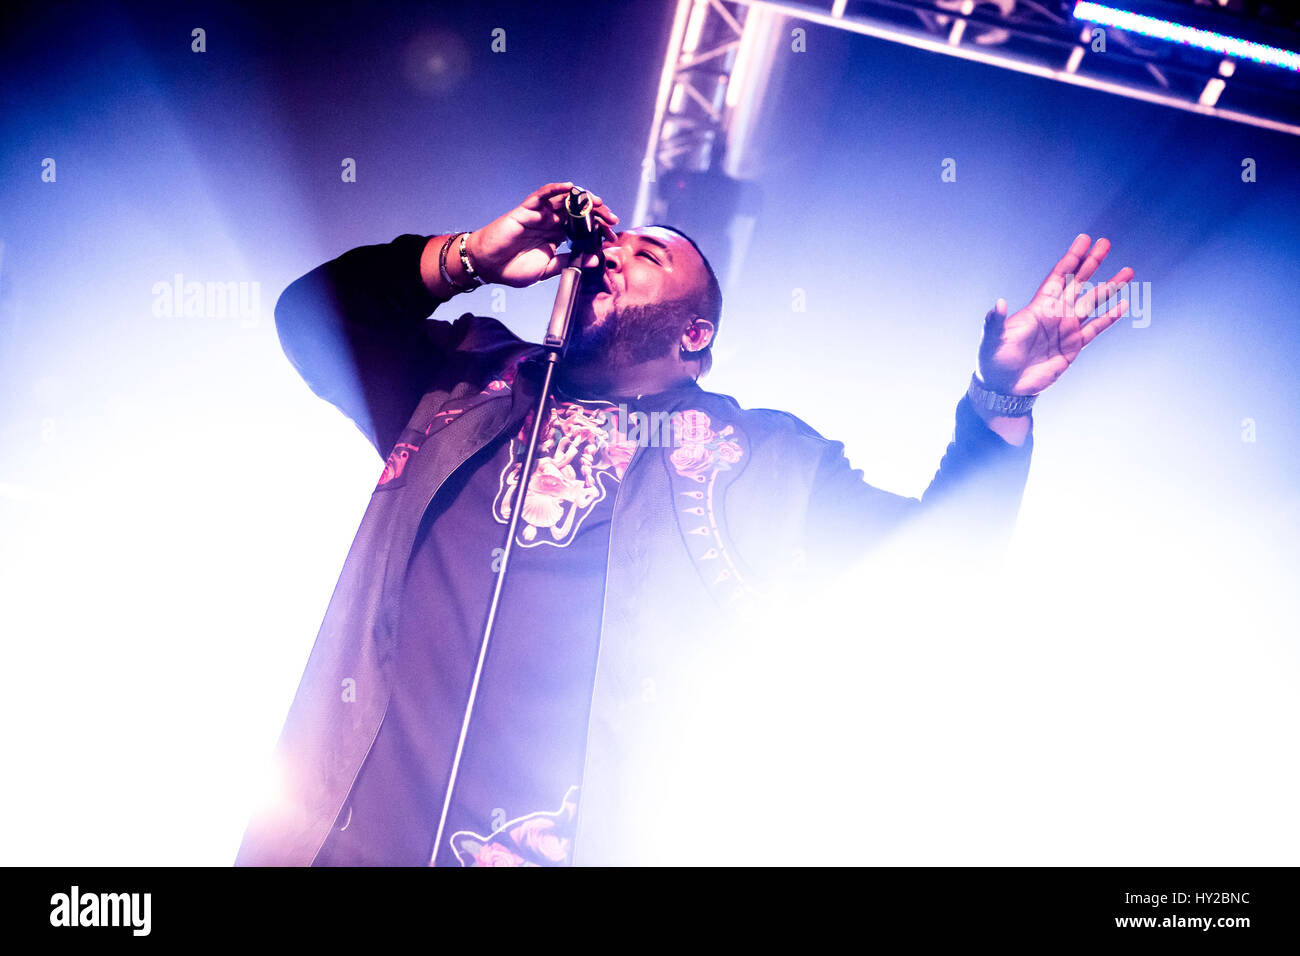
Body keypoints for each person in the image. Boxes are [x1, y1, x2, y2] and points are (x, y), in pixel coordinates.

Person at [235, 182, 1133, 867]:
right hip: (348, 840)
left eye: (648, 254)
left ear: (694, 334)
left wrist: (998, 399)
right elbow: (312, 317)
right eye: (609, 244)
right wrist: (472, 253)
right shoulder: (465, 376)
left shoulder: (769, 458)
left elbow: (937, 567)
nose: (610, 252)